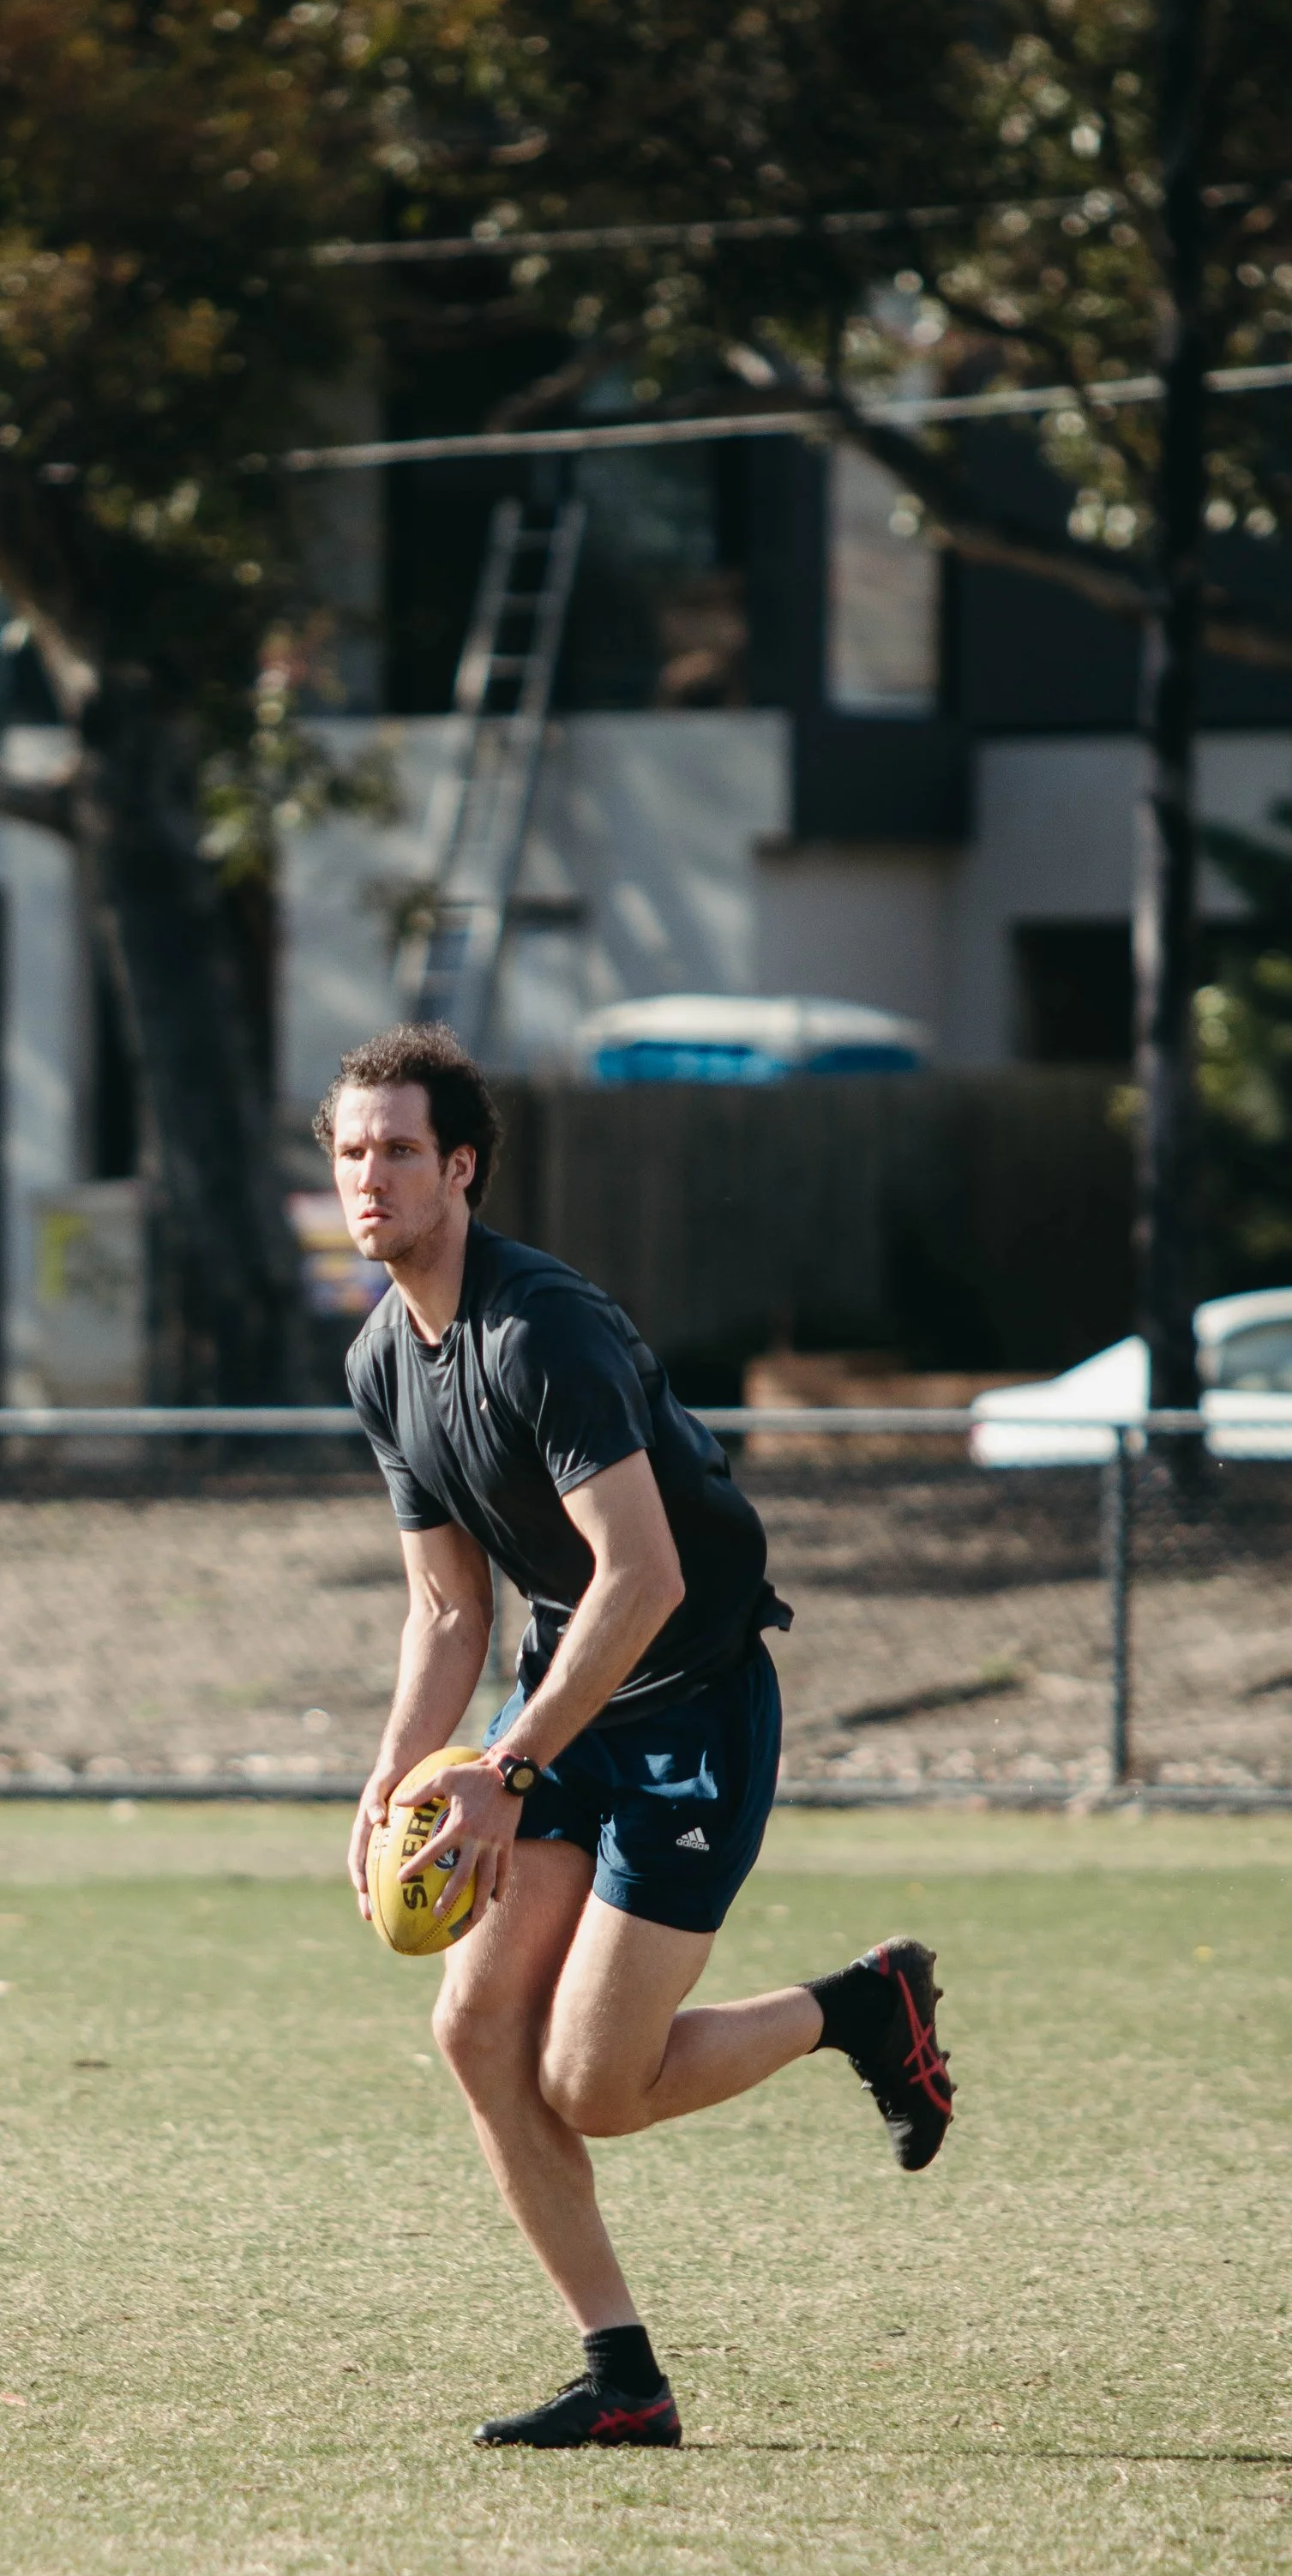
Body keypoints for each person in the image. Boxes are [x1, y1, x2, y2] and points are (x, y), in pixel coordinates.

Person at [327, 1023, 953, 2450]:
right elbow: (446, 1606)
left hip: (691, 1708)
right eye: (352, 1151)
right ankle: (626, 2381)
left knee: (597, 2086)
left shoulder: (538, 1328)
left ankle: (861, 2008)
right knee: (477, 2027)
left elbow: (646, 1577)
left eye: (401, 1150)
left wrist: (505, 1767)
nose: (372, 1177)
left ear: (462, 1166)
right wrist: (390, 1775)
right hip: (564, 1701)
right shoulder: (383, 1358)